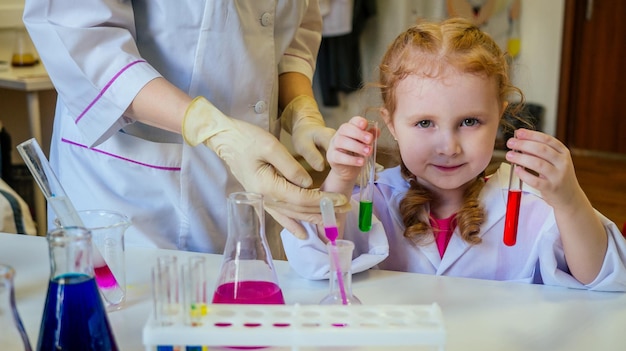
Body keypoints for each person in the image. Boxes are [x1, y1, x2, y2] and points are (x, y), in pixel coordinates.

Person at [281, 18, 626, 291]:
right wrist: (340, 179)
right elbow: (314, 261)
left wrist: (569, 200)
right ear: (392, 124)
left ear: (499, 118)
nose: (449, 146)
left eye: (470, 121)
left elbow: (603, 277)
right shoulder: (373, 202)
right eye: (425, 122)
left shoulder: (530, 202)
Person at [22, 1, 347, 256]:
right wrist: (213, 130)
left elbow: (290, 30)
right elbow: (82, 36)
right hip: (132, 194)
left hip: (249, 180)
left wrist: (300, 108)